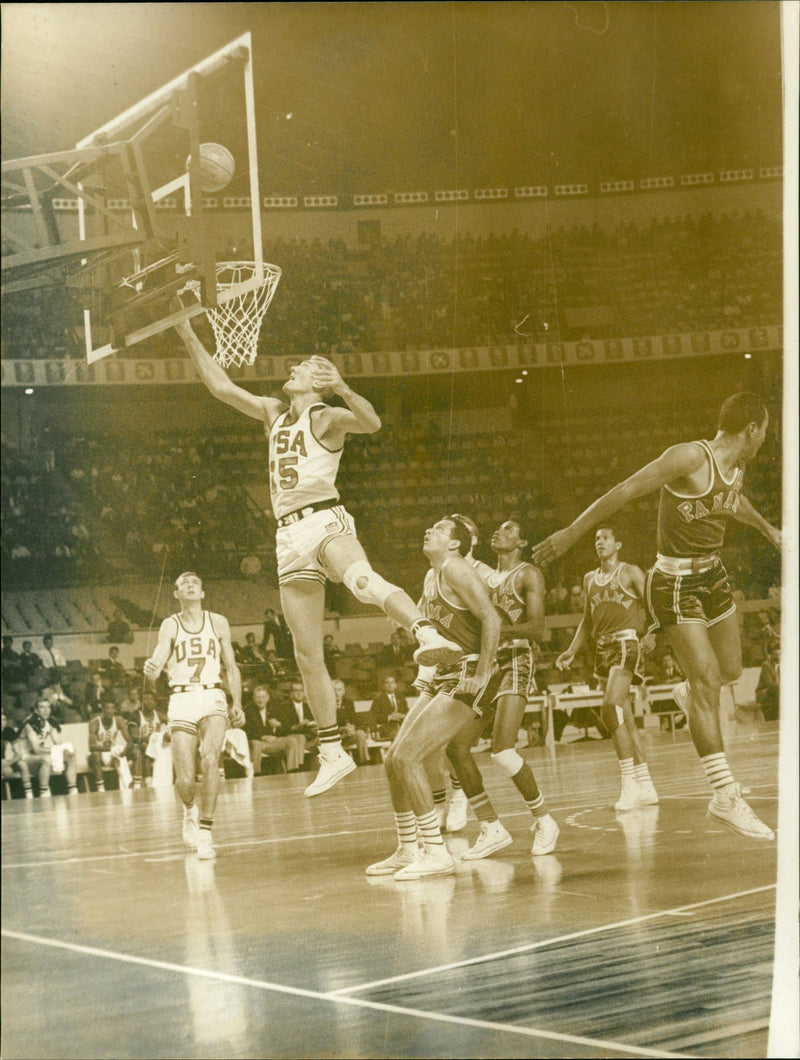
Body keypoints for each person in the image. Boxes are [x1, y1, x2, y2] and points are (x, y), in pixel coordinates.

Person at [176, 319, 463, 798]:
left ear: (319, 382)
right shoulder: (273, 411)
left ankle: (427, 635)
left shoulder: (325, 416)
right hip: (288, 535)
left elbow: (371, 422)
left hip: (324, 517)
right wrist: (186, 331)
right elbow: (220, 385)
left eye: (303, 368)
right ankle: (332, 750)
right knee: (305, 652)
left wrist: (343, 386)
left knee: (362, 581)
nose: (292, 369)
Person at [533, 393, 780, 840]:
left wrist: (769, 530)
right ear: (752, 428)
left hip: (714, 576)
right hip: (674, 583)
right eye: (766, 430)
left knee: (728, 670)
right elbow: (625, 489)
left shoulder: (736, 469)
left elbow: (733, 502)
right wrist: (571, 533)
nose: (766, 437)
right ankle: (724, 796)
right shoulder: (689, 456)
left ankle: (691, 693)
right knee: (708, 684)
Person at [367, 516, 501, 881]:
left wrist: (483, 672)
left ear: (456, 544)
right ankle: (407, 848)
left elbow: (491, 618)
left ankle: (436, 852)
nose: (429, 530)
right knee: (393, 758)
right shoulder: (431, 577)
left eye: (440, 529)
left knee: (409, 757)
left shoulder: (456, 568)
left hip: (469, 673)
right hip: (444, 674)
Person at [445, 518, 560, 858]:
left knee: (502, 749)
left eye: (510, 529)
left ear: (522, 541)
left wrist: (493, 634)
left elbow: (537, 628)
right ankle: (491, 826)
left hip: (516, 661)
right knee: (456, 748)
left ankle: (544, 820)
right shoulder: (480, 575)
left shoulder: (528, 574)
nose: (500, 532)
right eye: (498, 529)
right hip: (487, 665)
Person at [556, 526, 660, 812]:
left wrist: (653, 633)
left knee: (610, 708)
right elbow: (587, 622)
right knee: (623, 718)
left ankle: (628, 784)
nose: (600, 543)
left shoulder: (630, 572)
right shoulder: (590, 579)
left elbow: (654, 604)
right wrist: (571, 650)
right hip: (602, 649)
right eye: (596, 540)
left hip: (626, 644)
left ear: (618, 544)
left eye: (605, 538)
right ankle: (646, 785)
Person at [143, 571, 244, 859]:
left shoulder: (218, 621)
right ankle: (189, 809)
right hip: (182, 697)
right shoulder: (169, 625)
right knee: (185, 779)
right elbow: (159, 660)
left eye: (195, 582)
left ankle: (205, 833)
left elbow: (231, 667)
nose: (190, 585)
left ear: (202, 593)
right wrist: (151, 671)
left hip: (212, 694)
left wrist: (237, 701)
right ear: (176, 595)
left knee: (211, 758)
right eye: (183, 584)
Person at [244, 684, 306, 773]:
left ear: (267, 698)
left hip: (274, 741)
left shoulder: (274, 708)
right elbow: (246, 730)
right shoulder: (248, 710)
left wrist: (279, 726)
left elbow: (286, 728)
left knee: (292, 741)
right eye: (258, 697)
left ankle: (292, 770)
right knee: (256, 744)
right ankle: (255, 772)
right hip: (259, 742)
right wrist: (262, 737)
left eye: (263, 697)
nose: (260, 700)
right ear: (253, 698)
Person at [23, 698, 79, 796]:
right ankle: (44, 791)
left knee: (71, 755)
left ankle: (72, 789)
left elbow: (58, 742)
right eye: (42, 707)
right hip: (26, 758)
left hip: (39, 756)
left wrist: (66, 749)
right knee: (47, 759)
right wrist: (56, 750)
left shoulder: (50, 722)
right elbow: (36, 749)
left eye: (48, 707)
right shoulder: (29, 723)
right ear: (36, 710)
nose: (46, 710)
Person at [88, 696, 135, 791]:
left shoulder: (118, 720)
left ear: (115, 710)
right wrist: (110, 749)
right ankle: (101, 788)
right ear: (103, 709)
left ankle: (129, 785)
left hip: (112, 754)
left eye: (112, 708)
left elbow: (130, 742)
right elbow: (92, 746)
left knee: (124, 754)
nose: (110, 711)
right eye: (107, 708)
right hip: (98, 754)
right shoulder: (95, 722)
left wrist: (125, 751)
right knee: (96, 755)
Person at [333, 678, 369, 765]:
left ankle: (364, 761)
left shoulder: (348, 703)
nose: (336, 693)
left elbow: (354, 720)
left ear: (343, 691)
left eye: (339, 689)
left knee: (360, 733)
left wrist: (352, 727)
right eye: (334, 690)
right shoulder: (326, 704)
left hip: (347, 735)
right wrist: (342, 729)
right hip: (335, 737)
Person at [369, 674, 409, 741]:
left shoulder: (401, 697)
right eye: (387, 683)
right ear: (383, 686)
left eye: (392, 682)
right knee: (398, 734)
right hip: (386, 728)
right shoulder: (378, 699)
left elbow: (406, 710)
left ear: (396, 685)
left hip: (401, 725)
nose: (390, 685)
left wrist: (403, 715)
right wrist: (390, 717)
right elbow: (374, 716)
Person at [755, 647, 780, 722]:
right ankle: (777, 718)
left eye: (780, 654)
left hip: (778, 691)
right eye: (776, 654)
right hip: (765, 692)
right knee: (776, 690)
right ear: (770, 655)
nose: (778, 656)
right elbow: (769, 683)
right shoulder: (766, 665)